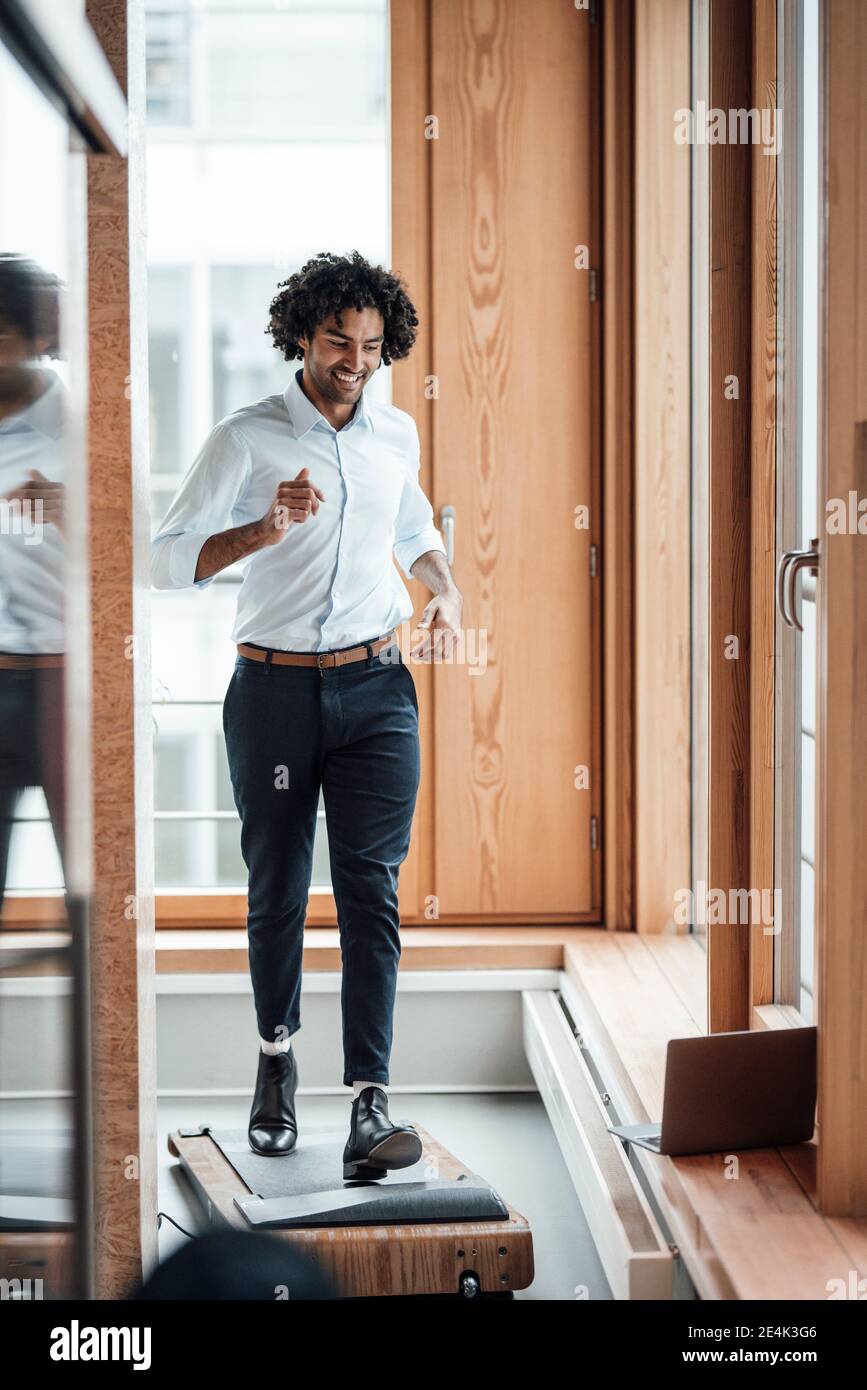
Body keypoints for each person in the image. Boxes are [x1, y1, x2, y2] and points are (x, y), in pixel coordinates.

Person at [151, 251, 463, 1177]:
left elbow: (409, 527)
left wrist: (441, 591)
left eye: (371, 346)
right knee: (279, 883)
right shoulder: (246, 438)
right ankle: (275, 1069)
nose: (355, 362)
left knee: (371, 889)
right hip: (276, 691)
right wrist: (262, 529)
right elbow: (165, 562)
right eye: (338, 342)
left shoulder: (392, 433)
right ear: (300, 335)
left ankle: (371, 1101)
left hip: (375, 688)